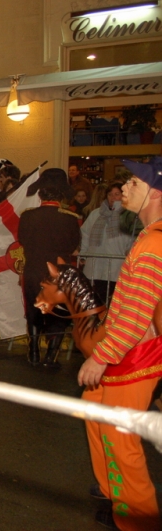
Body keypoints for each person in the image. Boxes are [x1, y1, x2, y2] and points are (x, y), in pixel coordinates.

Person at [77, 156, 162, 531]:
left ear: (155, 193)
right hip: (128, 350)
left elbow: (136, 314)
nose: (124, 187)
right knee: (94, 410)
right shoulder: (149, 236)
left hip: (136, 356)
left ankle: (138, 519)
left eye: (134, 183)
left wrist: (101, 356)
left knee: (120, 439)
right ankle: (113, 492)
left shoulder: (153, 245)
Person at [18, 168, 80, 368]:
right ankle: (51, 356)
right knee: (59, 312)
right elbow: (73, 246)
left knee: (34, 309)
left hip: (33, 270)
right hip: (59, 273)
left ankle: (34, 352)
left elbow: (22, 240)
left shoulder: (27, 216)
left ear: (40, 193)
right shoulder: (70, 218)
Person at [80, 182, 135, 306]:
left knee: (114, 303)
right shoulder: (95, 214)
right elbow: (85, 234)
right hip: (94, 266)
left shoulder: (129, 217)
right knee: (95, 301)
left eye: (116, 194)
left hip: (117, 267)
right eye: (110, 194)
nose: (113, 197)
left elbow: (132, 239)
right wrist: (84, 254)